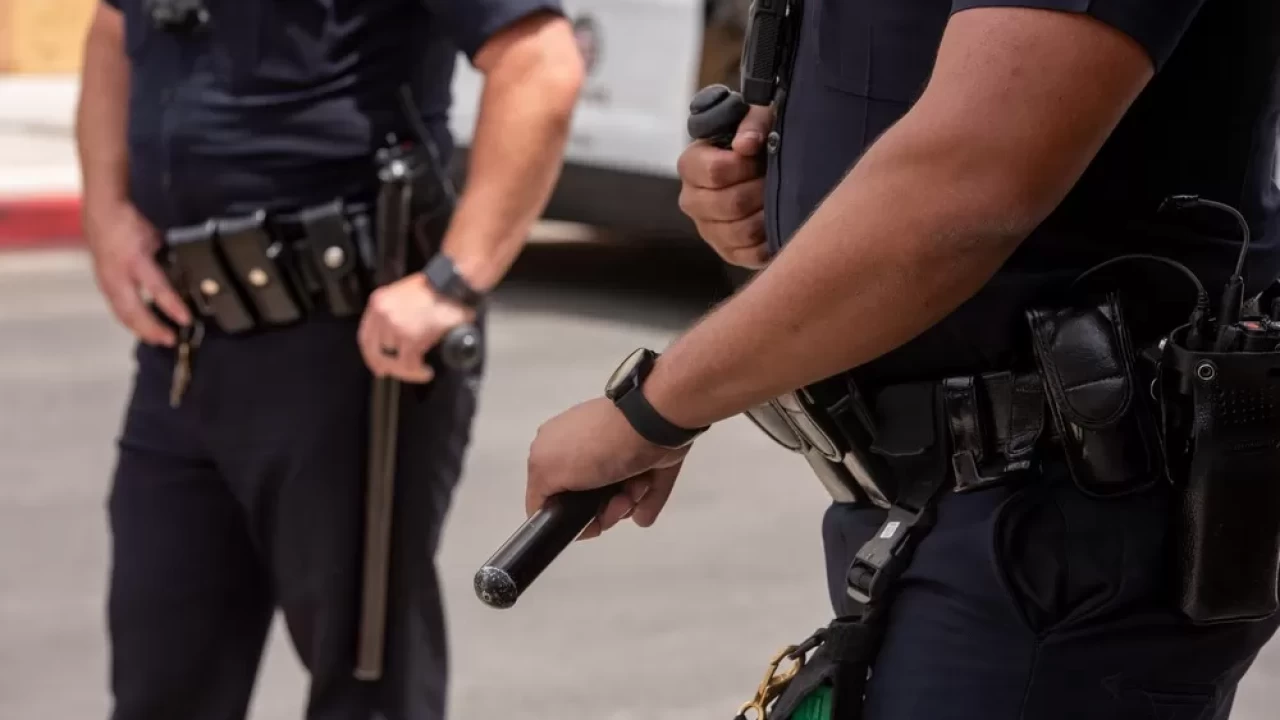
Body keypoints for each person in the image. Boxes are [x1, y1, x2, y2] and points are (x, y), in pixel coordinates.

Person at [508, 1, 1280, 718]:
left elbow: (970, 183)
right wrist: (786, 170)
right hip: (945, 509)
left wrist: (653, 409)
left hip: (1063, 528)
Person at [75, 0, 583, 718]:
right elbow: (111, 26)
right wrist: (105, 209)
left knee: (362, 688)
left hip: (349, 348)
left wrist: (454, 280)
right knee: (161, 679)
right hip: (185, 344)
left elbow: (540, 60)